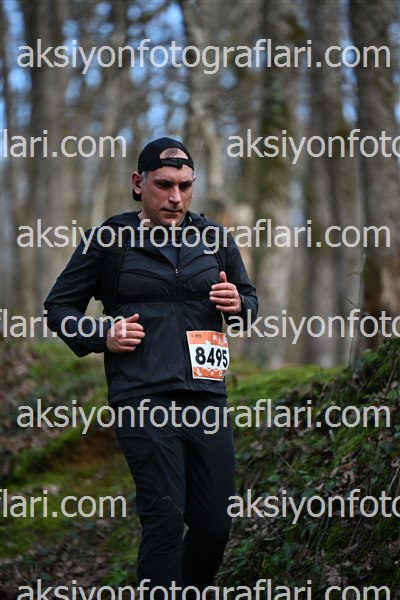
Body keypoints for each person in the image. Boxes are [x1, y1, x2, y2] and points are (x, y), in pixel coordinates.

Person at [44, 137, 258, 596]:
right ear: (139, 184)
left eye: (185, 185)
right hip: (142, 396)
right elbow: (59, 307)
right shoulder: (110, 241)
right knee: (164, 515)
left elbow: (248, 299)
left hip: (206, 397)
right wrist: (102, 335)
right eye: (164, 185)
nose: (175, 197)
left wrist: (239, 303)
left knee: (215, 524)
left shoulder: (215, 239)